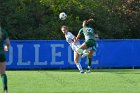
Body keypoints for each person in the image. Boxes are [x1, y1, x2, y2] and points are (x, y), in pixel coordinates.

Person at [0, 26, 10, 93]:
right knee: (3, 73)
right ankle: (5, 90)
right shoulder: (3, 31)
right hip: (1, 54)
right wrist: (6, 49)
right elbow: (8, 43)